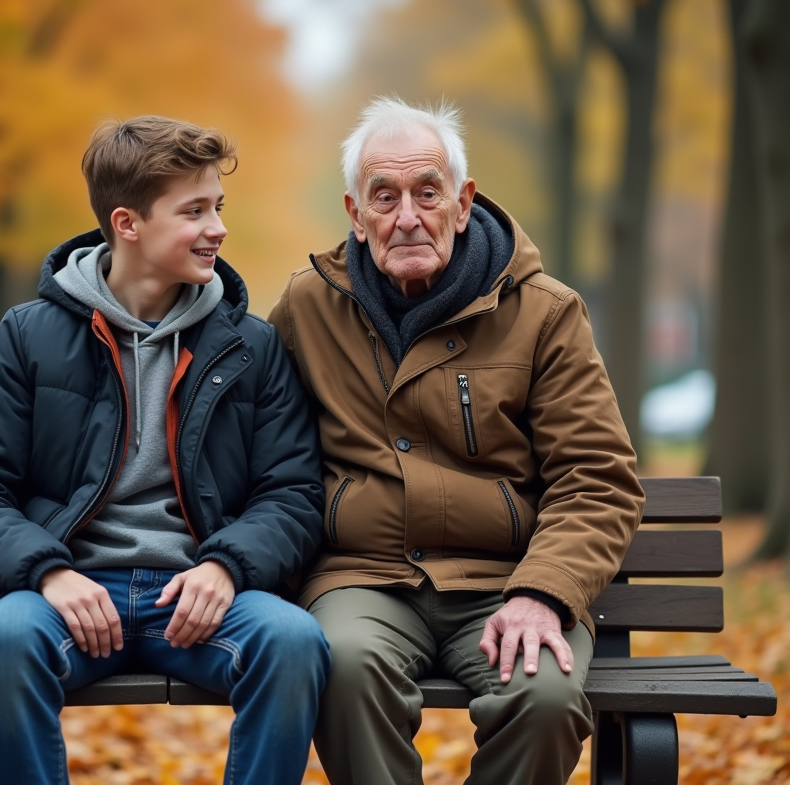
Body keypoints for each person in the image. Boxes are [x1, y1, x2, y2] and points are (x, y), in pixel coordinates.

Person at [0, 115, 330, 785]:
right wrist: (49, 573)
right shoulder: (29, 337)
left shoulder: (251, 346)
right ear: (128, 224)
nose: (218, 229)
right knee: (6, 639)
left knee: (293, 642)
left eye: (219, 208)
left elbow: (292, 493)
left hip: (199, 593)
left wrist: (227, 567)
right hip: (67, 589)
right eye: (195, 211)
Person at [268, 96, 645, 785]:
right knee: (342, 667)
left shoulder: (544, 313)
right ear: (356, 215)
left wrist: (545, 593)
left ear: (464, 203)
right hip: (363, 579)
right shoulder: (306, 307)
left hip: (507, 582)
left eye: (427, 192)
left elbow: (597, 477)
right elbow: (251, 436)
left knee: (546, 695)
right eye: (383, 196)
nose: (406, 216)